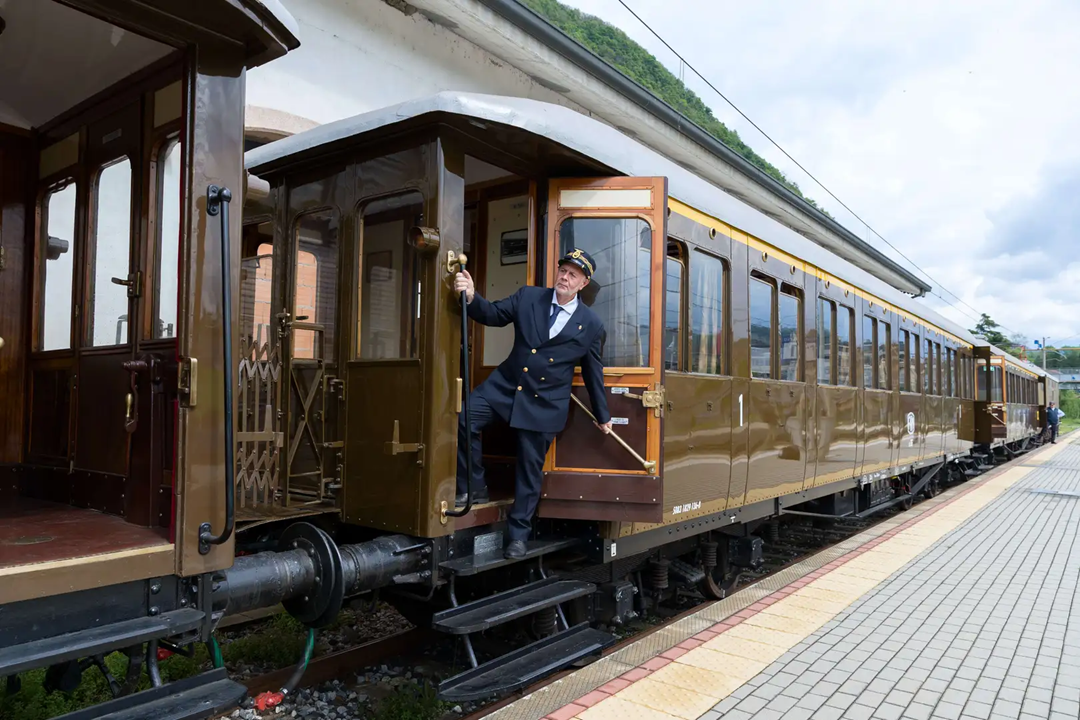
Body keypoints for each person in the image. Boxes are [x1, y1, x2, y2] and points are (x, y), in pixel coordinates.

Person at [454, 248, 612, 559]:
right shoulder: (529, 297)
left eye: (573, 275)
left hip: (545, 403)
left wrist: (602, 415)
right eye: (563, 271)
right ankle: (474, 487)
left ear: (583, 283)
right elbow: (494, 315)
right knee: (464, 419)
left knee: (528, 471)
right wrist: (472, 297)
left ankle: (518, 536)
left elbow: (594, 373)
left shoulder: (591, 325)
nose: (564, 277)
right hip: (505, 388)